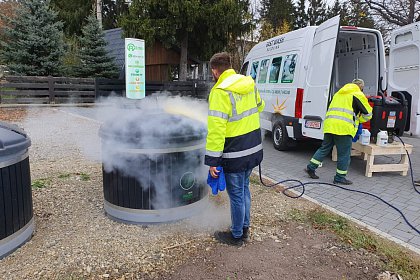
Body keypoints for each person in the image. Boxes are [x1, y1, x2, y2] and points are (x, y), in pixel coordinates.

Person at [205, 52, 265, 246]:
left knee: (237, 195)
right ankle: (245, 227)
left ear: (215, 71)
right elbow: (260, 106)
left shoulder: (220, 91)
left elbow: (216, 130)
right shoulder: (249, 83)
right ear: (230, 66)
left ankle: (237, 235)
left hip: (235, 154)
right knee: (244, 189)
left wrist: (212, 161)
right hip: (253, 149)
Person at [305, 79, 372, 185]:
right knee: (344, 154)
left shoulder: (338, 93)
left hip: (330, 125)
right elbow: (368, 114)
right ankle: (340, 177)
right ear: (361, 87)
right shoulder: (358, 94)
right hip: (343, 128)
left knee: (324, 148)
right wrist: (359, 119)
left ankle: (311, 167)